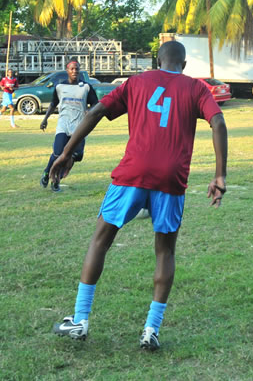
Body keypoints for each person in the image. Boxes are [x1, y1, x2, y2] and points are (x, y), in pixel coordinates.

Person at [49, 40, 228, 351]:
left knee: (100, 240)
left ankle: (80, 319)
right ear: (183, 66)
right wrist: (219, 174)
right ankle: (151, 329)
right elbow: (218, 121)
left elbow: (96, 111)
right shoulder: (196, 88)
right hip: (171, 179)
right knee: (165, 252)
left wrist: (66, 152)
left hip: (133, 174)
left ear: (156, 62)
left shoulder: (136, 82)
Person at [39, 60, 98, 192]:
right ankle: (51, 177)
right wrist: (45, 119)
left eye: (76, 69)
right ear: (67, 70)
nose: (74, 71)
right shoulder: (60, 87)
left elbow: (95, 103)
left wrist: (90, 110)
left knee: (77, 155)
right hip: (63, 124)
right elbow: (53, 104)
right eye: (72, 69)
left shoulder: (86, 87)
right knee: (59, 153)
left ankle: (53, 175)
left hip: (79, 126)